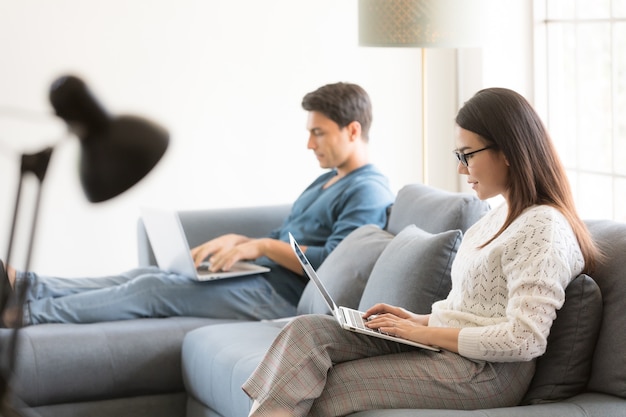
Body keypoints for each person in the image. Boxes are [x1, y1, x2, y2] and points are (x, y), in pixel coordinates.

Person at [241, 87, 603, 416]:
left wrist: (421, 334)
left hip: (486, 373)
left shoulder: (545, 228)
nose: (460, 168)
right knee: (307, 334)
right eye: (457, 155)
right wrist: (414, 321)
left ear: (508, 152)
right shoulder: (496, 218)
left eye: (467, 155)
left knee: (325, 388)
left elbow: (523, 339)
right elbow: (473, 313)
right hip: (448, 349)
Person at [2, 82, 395, 326]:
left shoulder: (368, 190)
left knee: (153, 289)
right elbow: (289, 236)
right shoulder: (330, 178)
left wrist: (261, 247)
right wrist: (240, 241)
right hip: (261, 276)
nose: (310, 144)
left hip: (282, 296)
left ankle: (28, 315)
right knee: (148, 275)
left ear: (353, 130)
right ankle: (29, 285)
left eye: (319, 133)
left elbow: (333, 265)